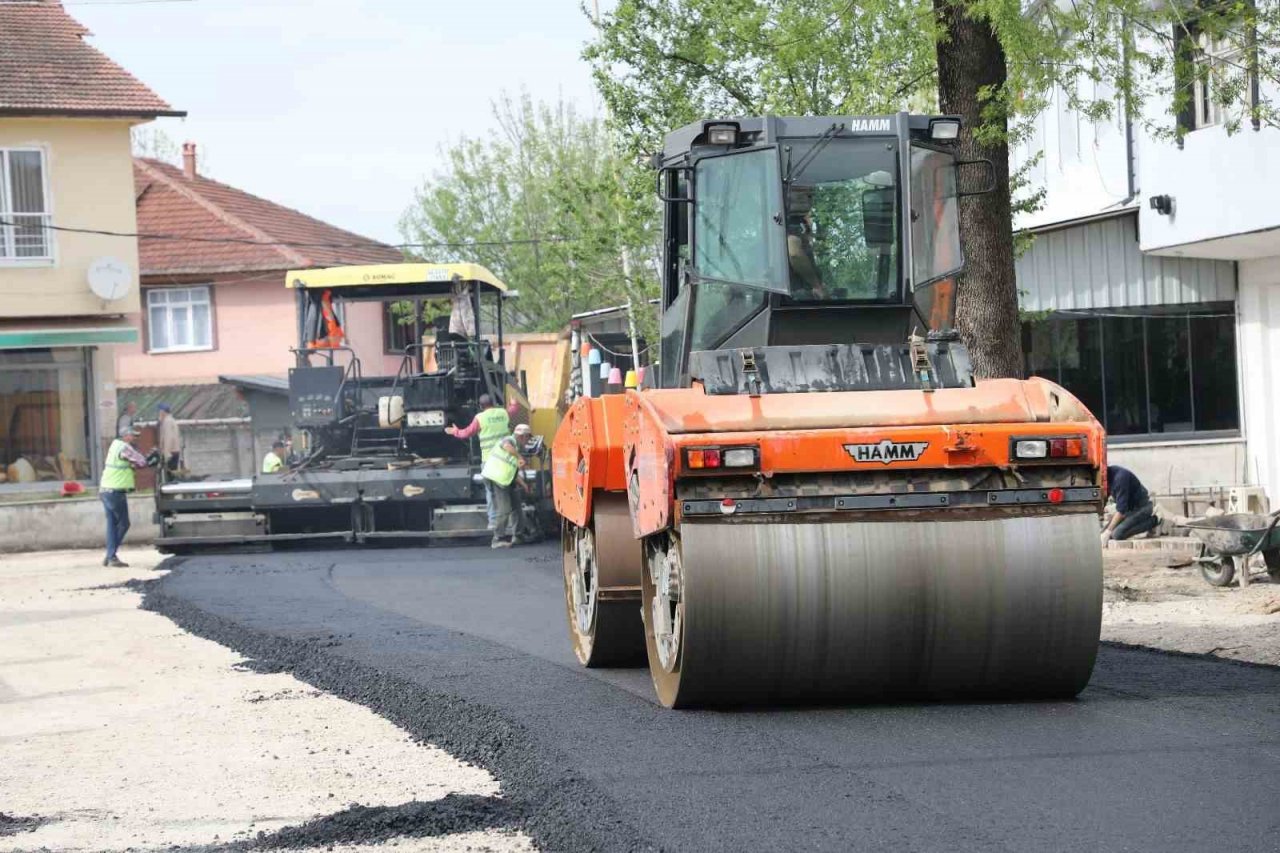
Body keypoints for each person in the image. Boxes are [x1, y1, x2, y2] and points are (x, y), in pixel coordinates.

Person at [445, 394, 514, 529]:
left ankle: (493, 522)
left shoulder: (480, 418)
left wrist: (455, 431)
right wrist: (514, 402)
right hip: (505, 459)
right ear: (493, 403)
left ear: (481, 406)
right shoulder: (503, 413)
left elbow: (466, 433)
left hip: (489, 461)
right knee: (506, 491)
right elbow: (514, 410)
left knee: (491, 492)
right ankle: (510, 522)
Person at [100, 425, 152, 568]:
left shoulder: (114, 445)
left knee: (112, 524)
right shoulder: (124, 447)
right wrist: (150, 459)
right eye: (133, 435)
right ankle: (111, 556)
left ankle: (110, 556)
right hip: (115, 491)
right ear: (125, 435)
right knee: (123, 523)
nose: (134, 438)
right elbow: (141, 461)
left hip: (105, 490)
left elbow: (127, 463)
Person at [480, 430, 525, 549]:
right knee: (504, 509)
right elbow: (506, 445)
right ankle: (498, 538)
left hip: (506, 480)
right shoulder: (510, 440)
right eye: (527, 439)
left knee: (516, 507)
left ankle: (518, 536)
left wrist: (525, 485)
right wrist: (519, 457)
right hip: (496, 479)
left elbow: (512, 471)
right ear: (522, 436)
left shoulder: (516, 448)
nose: (527, 442)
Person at [1101, 465, 1159, 544]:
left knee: (1117, 534)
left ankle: (1155, 520)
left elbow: (1121, 511)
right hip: (1129, 510)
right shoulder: (1107, 479)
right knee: (1103, 532)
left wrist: (1108, 531)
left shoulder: (1120, 478)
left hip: (1142, 507)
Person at [156, 403, 182, 473]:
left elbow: (168, 438)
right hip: (174, 451)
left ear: (163, 411)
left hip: (170, 452)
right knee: (173, 473)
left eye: (159, 411)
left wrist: (166, 453)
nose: (158, 413)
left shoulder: (167, 421)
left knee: (170, 475)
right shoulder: (170, 420)